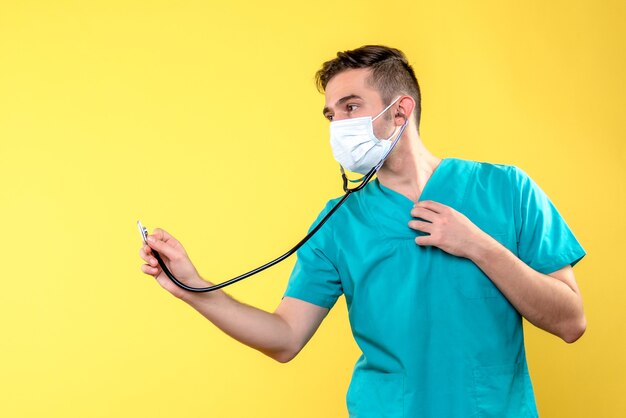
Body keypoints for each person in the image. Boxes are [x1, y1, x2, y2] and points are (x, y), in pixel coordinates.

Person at [139, 45, 586, 417]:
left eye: (351, 107)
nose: (338, 125)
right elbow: (284, 338)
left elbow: (571, 321)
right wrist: (192, 286)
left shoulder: (507, 189)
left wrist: (479, 246)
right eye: (331, 115)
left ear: (400, 111)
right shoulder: (340, 222)